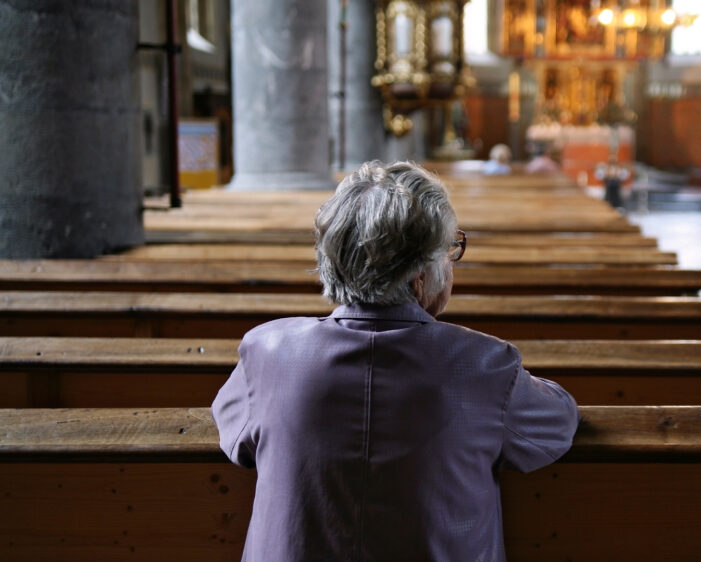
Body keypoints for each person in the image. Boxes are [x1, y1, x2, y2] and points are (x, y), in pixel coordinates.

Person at [212, 160, 579, 561]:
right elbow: (559, 421)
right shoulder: (484, 364)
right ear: (420, 274)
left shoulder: (267, 352)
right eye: (449, 251)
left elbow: (233, 435)